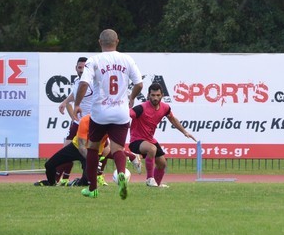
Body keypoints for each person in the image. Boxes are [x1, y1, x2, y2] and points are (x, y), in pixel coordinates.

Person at [73, 29, 142, 200]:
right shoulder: (127, 59)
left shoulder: (94, 60)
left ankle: (92, 189)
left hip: (100, 113)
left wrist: (77, 104)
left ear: (99, 42)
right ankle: (121, 174)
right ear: (117, 41)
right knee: (118, 149)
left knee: (93, 148)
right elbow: (139, 84)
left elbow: (84, 83)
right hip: (121, 112)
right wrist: (131, 98)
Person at [129, 82, 196, 188]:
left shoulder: (165, 108)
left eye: (158, 95)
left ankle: (156, 185)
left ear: (162, 95)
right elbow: (126, 115)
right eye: (153, 95)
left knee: (162, 164)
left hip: (150, 140)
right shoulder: (140, 108)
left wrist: (184, 132)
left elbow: (172, 119)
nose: (155, 98)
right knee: (152, 149)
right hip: (136, 141)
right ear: (148, 95)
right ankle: (149, 179)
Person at [53, 56, 89, 184]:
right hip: (78, 123)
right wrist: (65, 102)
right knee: (66, 150)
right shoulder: (77, 81)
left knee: (101, 151)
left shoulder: (91, 81)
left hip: (91, 123)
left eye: (84, 67)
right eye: (80, 67)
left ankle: (91, 178)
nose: (81, 70)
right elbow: (75, 94)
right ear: (76, 68)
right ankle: (60, 179)